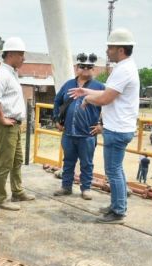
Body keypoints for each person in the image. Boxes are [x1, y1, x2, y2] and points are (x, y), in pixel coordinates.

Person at [68, 28, 139, 224]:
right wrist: (85, 91)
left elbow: (106, 98)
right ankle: (118, 205)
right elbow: (109, 93)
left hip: (117, 129)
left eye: (110, 47)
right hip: (121, 127)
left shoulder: (123, 70)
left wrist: (88, 99)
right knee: (117, 170)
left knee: (113, 171)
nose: (107, 51)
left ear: (121, 50)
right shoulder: (127, 67)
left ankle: (118, 212)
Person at [0, 36, 35, 211]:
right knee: (5, 163)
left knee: (17, 160)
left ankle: (17, 192)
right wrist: (2, 118)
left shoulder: (11, 73)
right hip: (6, 126)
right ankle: (1, 199)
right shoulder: (2, 74)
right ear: (12, 54)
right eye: (21, 55)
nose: (24, 58)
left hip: (14, 125)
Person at [52, 53, 105, 200]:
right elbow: (57, 102)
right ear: (77, 68)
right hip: (68, 133)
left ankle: (86, 188)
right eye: (82, 66)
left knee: (87, 163)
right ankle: (66, 186)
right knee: (68, 161)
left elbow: (109, 108)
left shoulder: (99, 87)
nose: (86, 69)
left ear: (93, 69)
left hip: (87, 135)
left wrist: (102, 125)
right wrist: (56, 120)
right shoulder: (68, 85)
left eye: (89, 67)